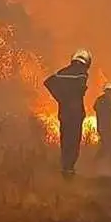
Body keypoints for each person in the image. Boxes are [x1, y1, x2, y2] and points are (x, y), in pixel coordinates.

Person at [44, 49, 92, 178]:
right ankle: (69, 169)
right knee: (74, 141)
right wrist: (78, 92)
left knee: (65, 140)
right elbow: (80, 89)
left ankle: (65, 168)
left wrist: (60, 98)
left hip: (64, 113)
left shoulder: (62, 72)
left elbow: (48, 82)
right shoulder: (82, 73)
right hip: (75, 114)